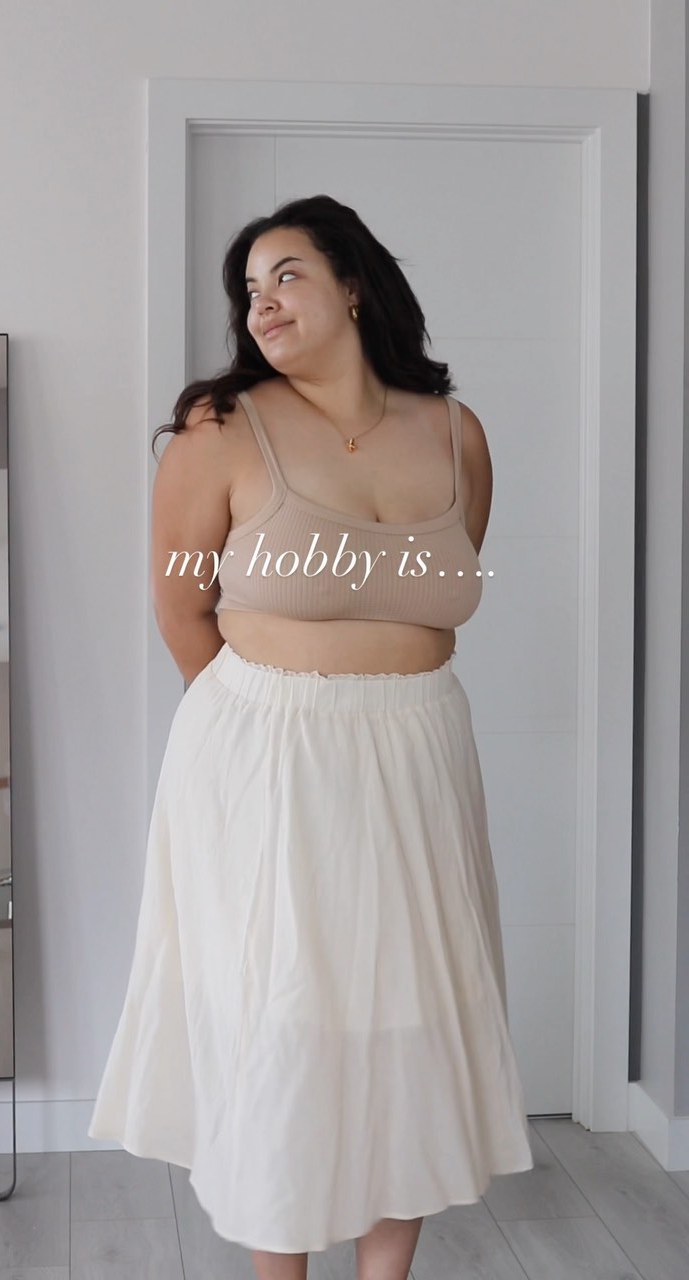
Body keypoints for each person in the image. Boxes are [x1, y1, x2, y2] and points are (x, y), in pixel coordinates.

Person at [88, 194, 534, 1280]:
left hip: (419, 751)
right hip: (270, 757)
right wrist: (266, 735)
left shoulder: (459, 435)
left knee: (410, 1022)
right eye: (249, 290)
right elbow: (181, 607)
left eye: (286, 275)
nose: (263, 304)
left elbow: (438, 593)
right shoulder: (222, 428)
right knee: (282, 1024)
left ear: (355, 285)